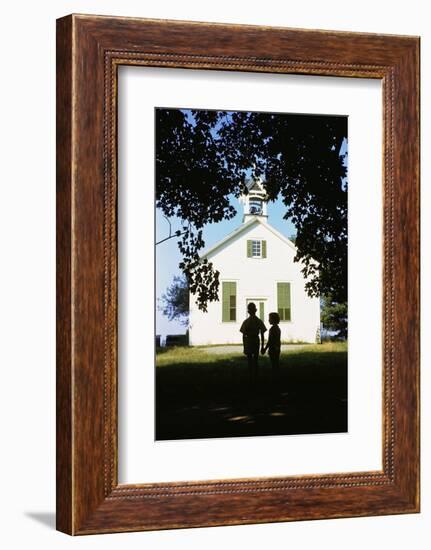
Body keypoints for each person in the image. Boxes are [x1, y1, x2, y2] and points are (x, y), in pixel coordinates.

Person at [240, 302, 267, 381]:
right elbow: (262, 334)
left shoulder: (246, 322)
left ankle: (251, 375)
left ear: (248, 311)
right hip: (255, 340)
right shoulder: (259, 321)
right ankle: (255, 375)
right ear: (256, 310)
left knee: (249, 360)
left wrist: (244, 346)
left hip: (249, 340)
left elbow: (243, 335)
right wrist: (262, 346)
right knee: (255, 359)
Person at [262, 312, 281, 378]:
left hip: (273, 349)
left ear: (273, 319)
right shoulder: (278, 329)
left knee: (273, 364)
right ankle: (277, 375)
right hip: (277, 348)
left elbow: (270, 341)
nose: (268, 320)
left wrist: (265, 349)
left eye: (270, 318)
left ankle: (274, 376)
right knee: (276, 363)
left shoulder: (272, 329)